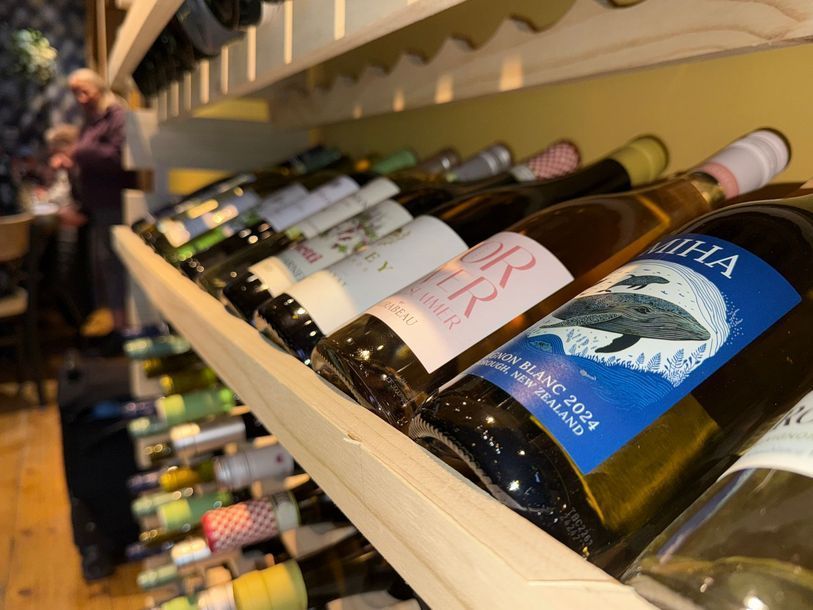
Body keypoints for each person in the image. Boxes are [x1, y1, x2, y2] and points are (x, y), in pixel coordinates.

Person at [62, 68, 136, 336]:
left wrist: (79, 151)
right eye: (74, 93)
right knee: (103, 269)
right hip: (97, 206)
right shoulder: (92, 121)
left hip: (114, 203)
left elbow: (120, 157)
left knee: (115, 267)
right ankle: (112, 325)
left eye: (84, 90)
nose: (80, 98)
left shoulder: (116, 116)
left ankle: (123, 328)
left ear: (99, 88)